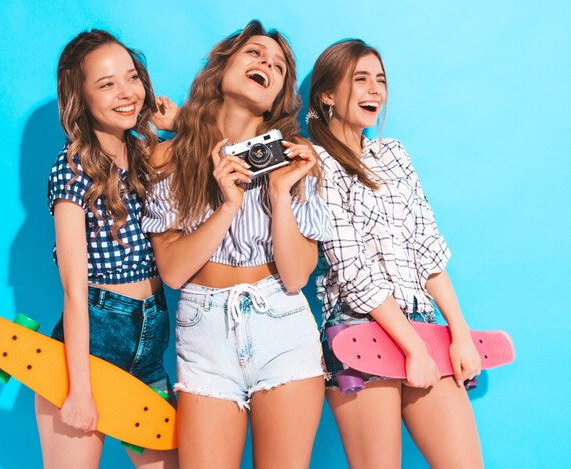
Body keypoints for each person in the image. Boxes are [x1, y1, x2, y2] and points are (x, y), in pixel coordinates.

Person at [142, 20, 333, 468]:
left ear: (280, 95)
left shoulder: (296, 157)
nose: (266, 63)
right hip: (205, 332)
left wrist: (281, 193)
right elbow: (171, 272)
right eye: (253, 54)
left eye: (279, 65)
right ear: (222, 66)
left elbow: (297, 274)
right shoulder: (170, 156)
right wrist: (227, 205)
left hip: (281, 323)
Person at [308, 39, 483, 468]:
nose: (374, 91)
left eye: (380, 81)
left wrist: (458, 332)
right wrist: (414, 352)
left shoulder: (394, 154)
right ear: (327, 94)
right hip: (357, 332)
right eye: (360, 80)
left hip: (422, 324)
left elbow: (428, 248)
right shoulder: (313, 162)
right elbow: (352, 270)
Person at [37, 29, 178, 469]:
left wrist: (179, 125)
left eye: (131, 77)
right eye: (106, 83)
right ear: (79, 97)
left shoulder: (147, 153)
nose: (126, 92)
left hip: (151, 336)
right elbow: (75, 290)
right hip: (94, 340)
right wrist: (79, 390)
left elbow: (215, 152)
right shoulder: (73, 167)